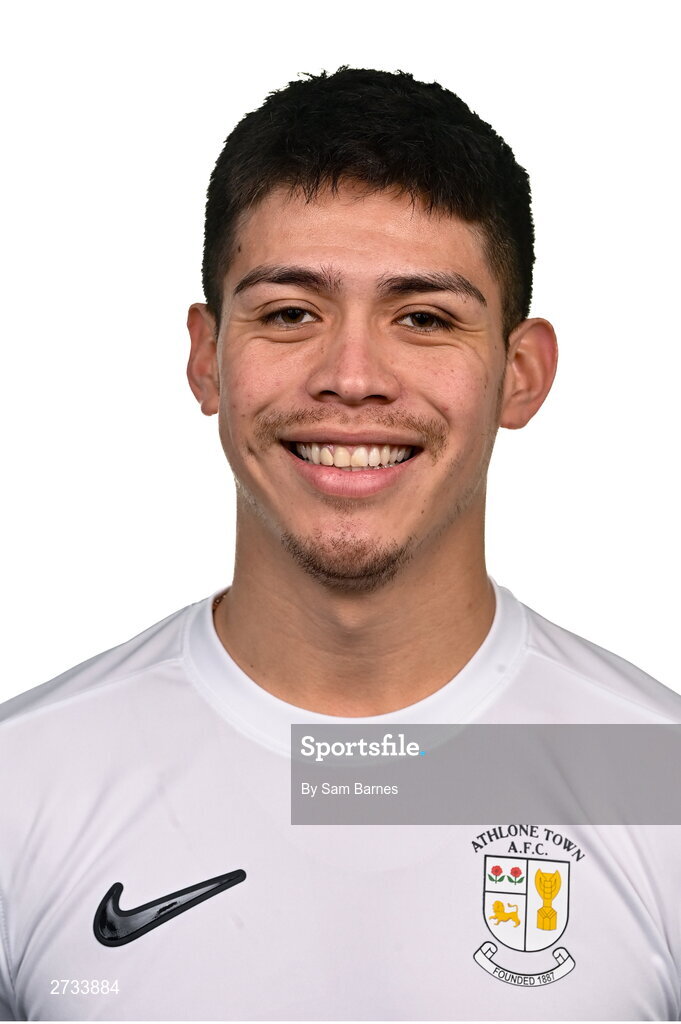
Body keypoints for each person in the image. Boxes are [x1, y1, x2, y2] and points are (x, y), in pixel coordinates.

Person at [1, 67, 680, 1022]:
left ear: (520, 376)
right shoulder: (23, 782)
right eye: (289, 313)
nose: (351, 377)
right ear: (206, 359)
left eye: (423, 318)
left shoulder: (657, 779)